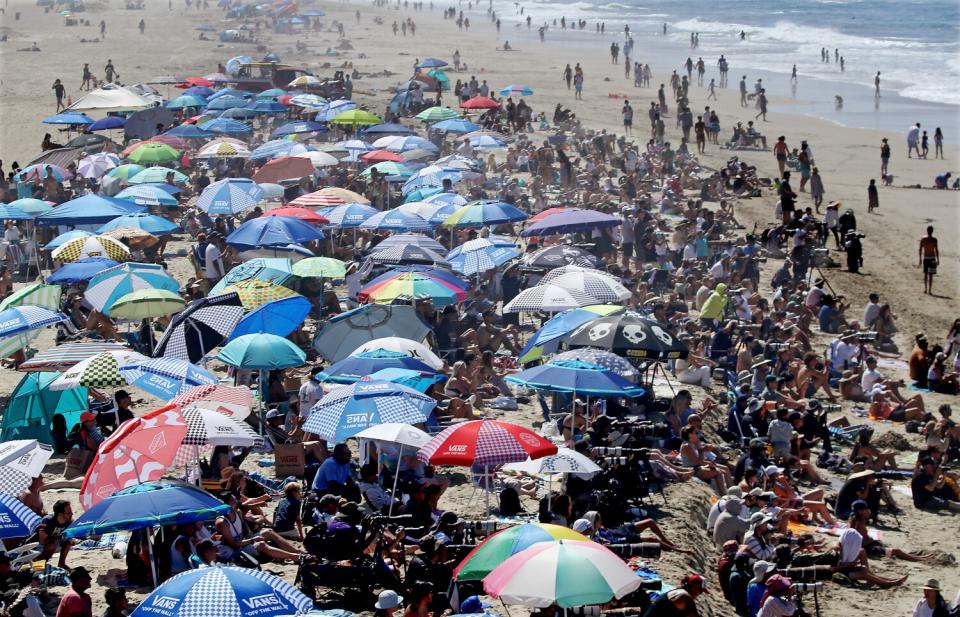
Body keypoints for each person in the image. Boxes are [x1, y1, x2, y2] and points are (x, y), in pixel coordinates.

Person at [918, 225, 939, 295]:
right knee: (930, 275)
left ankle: (925, 289)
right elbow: (936, 250)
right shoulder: (934, 240)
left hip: (926, 258)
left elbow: (920, 249)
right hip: (932, 258)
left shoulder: (923, 239)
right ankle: (929, 290)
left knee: (926, 274)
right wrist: (938, 259)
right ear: (932, 231)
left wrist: (920, 259)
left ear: (927, 230)